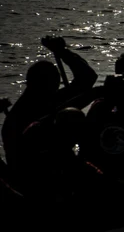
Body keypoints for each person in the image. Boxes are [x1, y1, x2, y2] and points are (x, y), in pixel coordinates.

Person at [1, 36, 98, 170]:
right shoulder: (22, 115)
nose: (57, 86)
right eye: (54, 82)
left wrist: (62, 51)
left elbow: (87, 78)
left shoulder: (49, 98)